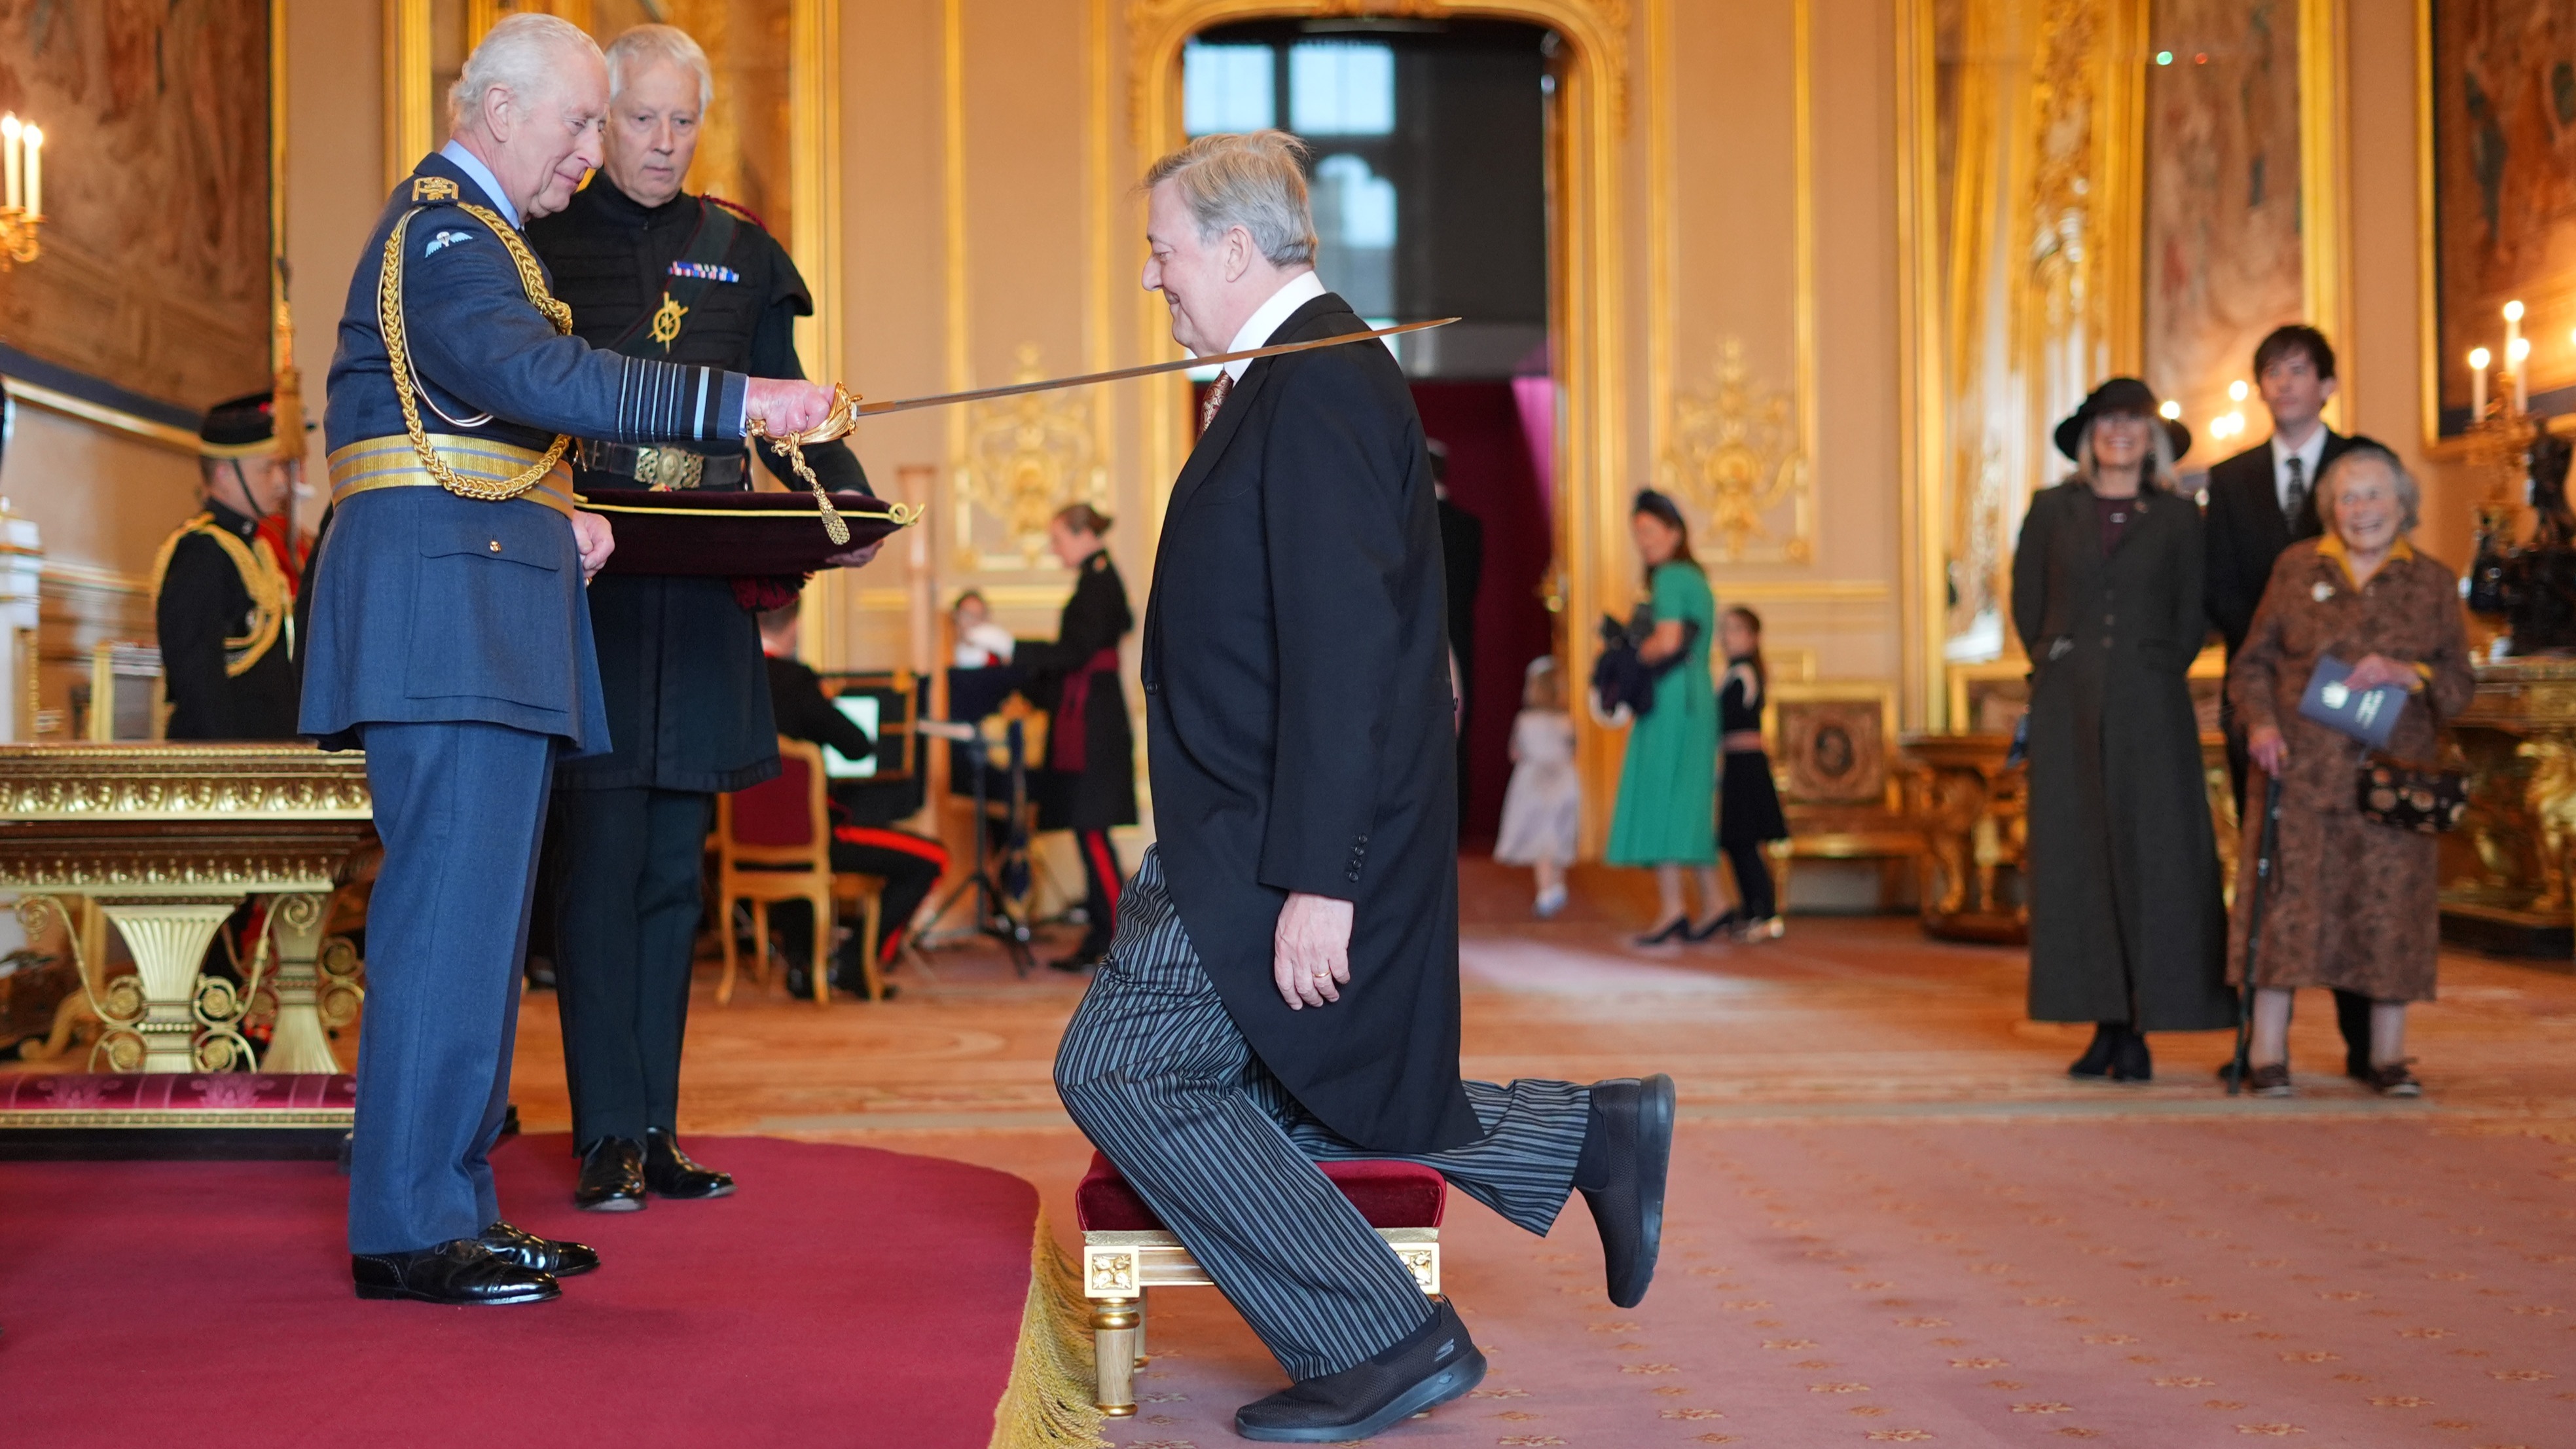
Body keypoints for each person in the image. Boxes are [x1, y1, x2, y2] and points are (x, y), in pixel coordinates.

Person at [1051, 130, 1674, 1442]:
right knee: (1285, 1087)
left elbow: (1345, 658)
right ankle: (1575, 1139)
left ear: (1234, 246)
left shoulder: (1320, 382)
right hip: (1241, 825)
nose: (1151, 276)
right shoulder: (1295, 373)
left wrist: (1319, 881)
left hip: (1266, 843)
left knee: (1124, 1069)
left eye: (1163, 249)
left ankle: (1384, 1337)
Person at [301, 14, 835, 1306]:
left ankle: (453, 1203)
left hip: (477, 606)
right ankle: (411, 1224)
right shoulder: (448, 232)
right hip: (451, 621)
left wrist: (560, 513)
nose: (593, 147)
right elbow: (529, 371)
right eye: (582, 119)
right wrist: (736, 402)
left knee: (479, 933)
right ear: (498, 111)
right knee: (446, 925)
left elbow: (472, 423)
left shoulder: (475, 236)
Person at [520, 22, 875, 1216]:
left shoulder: (740, 250)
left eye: (683, 121)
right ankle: (604, 1135)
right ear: (600, 121)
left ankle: (657, 1131)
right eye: (642, 120)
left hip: (702, 603)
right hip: (594, 598)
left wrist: (851, 503)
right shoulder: (539, 240)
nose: (665, 142)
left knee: (675, 875)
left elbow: (793, 406)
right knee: (599, 870)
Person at [2226, 445, 2474, 1098]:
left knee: (2389, 914)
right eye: (2347, 496)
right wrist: (2260, 725)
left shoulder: (2430, 581)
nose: (2361, 508)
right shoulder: (2295, 567)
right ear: (2330, 508)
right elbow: (2251, 665)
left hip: (2392, 779)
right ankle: (2266, 1054)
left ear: (2401, 503)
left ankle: (2387, 1058)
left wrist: (2407, 672)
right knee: (2286, 911)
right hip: (2299, 771)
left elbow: (2458, 685)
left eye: (2373, 494)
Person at [2012, 377, 2236, 1082]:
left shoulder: (2177, 516)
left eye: (2133, 421)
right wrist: (2057, 660)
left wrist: (2151, 666)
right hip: (2067, 703)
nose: (2119, 432)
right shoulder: (2051, 509)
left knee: (2156, 856)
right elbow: (2027, 600)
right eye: (2107, 421)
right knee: (2078, 858)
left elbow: (2190, 611)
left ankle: (2141, 1021)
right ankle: (2100, 1021)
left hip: (2151, 704)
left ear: (2152, 438)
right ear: (2088, 436)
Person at [2202, 324, 2382, 1082]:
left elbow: (2379, 575)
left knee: (2353, 870)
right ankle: (2258, 1044)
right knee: (2265, 872)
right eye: (2271, 371)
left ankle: (2364, 1044)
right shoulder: (2230, 478)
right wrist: (2272, 671)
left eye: (2298, 370)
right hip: (2261, 702)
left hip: (2349, 706)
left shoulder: (2361, 465)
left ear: (2326, 385)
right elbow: (2217, 586)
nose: (2283, 383)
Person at [757, 599, 949, 997]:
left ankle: (803, 965)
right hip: (812, 837)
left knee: (794, 845)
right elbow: (857, 746)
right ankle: (855, 964)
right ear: (793, 626)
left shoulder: (727, 680)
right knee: (932, 859)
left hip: (739, 840)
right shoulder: (796, 681)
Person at [1013, 503, 1137, 972]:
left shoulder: (1098, 581)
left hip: (1095, 726)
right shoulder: (1097, 578)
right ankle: (1103, 936)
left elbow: (1074, 653)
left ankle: (1120, 941)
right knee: (1089, 833)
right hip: (1092, 720)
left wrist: (1012, 650)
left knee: (1093, 831)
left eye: (1058, 539)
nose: (1054, 548)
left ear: (1084, 535)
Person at [1604, 489, 1725, 944]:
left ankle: (1673, 908)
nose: (1643, 541)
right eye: (1637, 533)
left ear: (1674, 532)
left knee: (1663, 797)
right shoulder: (1694, 576)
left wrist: (1628, 653)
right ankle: (1714, 903)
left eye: (1650, 531)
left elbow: (1669, 641)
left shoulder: (1670, 576)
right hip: (1695, 696)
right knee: (1686, 800)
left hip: (1671, 699)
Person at [153, 392, 304, 741]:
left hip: (270, 757)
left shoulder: (256, 549)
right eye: (267, 469)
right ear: (224, 474)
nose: (282, 482)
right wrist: (231, 764)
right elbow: (199, 686)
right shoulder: (201, 552)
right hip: (228, 763)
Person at [1714, 606, 1789, 942]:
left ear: (1752, 637)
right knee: (1737, 841)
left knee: (1743, 841)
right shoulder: (1736, 672)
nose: (1726, 637)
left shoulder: (1743, 673)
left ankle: (1765, 912)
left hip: (1746, 766)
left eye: (1735, 629)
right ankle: (1753, 909)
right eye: (1725, 629)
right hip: (1738, 764)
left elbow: (1728, 720)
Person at [1493, 657, 1577, 918]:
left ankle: (1545, 892)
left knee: (1542, 841)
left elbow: (1515, 752)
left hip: (1534, 785)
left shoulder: (1525, 720)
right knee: (1558, 836)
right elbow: (1573, 749)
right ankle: (1558, 884)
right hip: (1564, 782)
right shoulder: (1567, 720)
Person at [1428, 439, 1484, 822]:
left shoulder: (1407, 524)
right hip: (1458, 635)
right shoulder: (1470, 526)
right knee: (1457, 727)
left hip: (1420, 637)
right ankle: (1456, 820)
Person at [951, 589, 1015, 667]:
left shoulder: (995, 652)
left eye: (979, 616)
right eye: (968, 616)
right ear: (956, 617)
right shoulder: (947, 652)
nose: (973, 622)